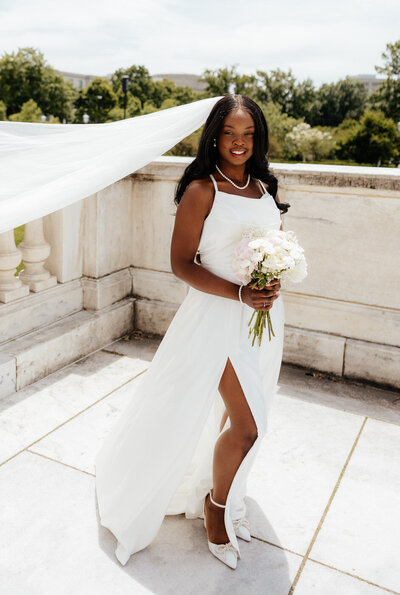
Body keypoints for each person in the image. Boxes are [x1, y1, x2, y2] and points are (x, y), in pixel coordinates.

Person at [95, 94, 291, 569]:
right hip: (217, 318)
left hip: (263, 320)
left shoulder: (265, 187)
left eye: (247, 134)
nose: (238, 143)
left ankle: (219, 485)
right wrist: (240, 294)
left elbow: (269, 245)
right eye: (229, 133)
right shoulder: (203, 189)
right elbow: (181, 263)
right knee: (248, 427)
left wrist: (272, 275)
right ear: (214, 136)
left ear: (257, 138)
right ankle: (216, 509)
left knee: (238, 416)